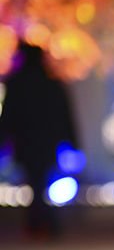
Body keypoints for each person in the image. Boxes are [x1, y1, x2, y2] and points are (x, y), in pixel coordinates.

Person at [0, 41, 79, 239]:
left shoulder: (18, 83)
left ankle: (40, 222)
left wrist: (4, 140)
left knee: (35, 181)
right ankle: (44, 223)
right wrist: (71, 141)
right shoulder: (50, 83)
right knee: (39, 181)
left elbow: (9, 116)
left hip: (27, 141)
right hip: (45, 141)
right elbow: (64, 115)